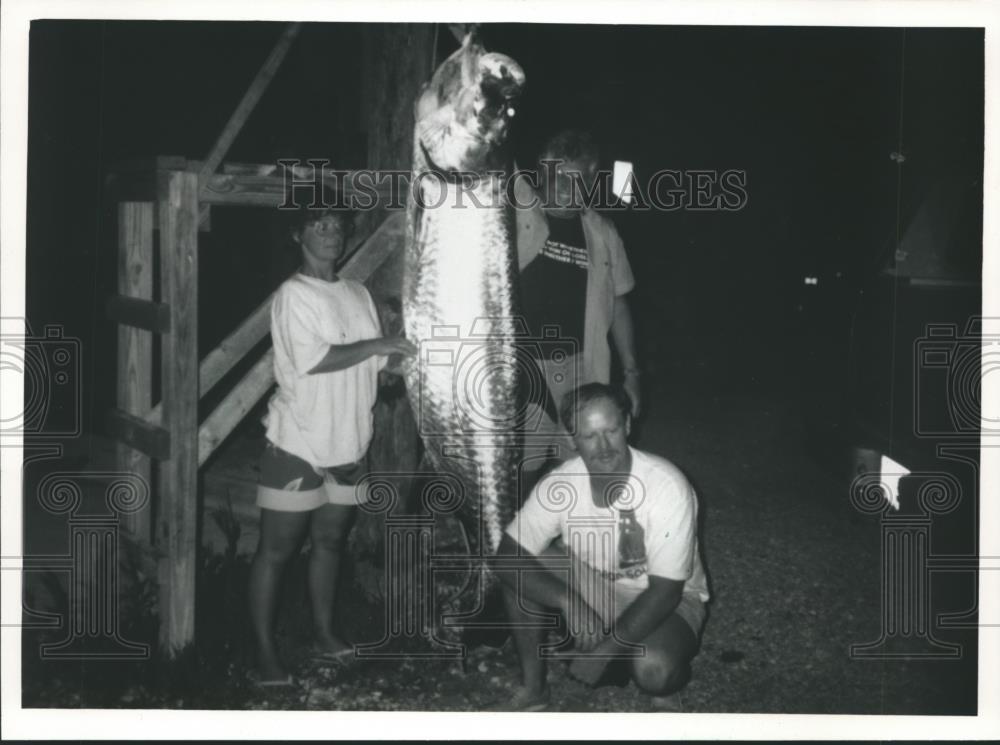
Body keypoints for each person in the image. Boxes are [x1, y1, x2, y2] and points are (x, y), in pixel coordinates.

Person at [248, 206, 416, 685]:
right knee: (276, 552)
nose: (330, 234)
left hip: (349, 444)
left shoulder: (358, 293)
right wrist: (379, 345)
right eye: (318, 225)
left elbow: (375, 363)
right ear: (297, 233)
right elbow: (315, 360)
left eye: (337, 227)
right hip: (298, 441)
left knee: (329, 543)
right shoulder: (292, 295)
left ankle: (324, 632)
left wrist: (400, 359)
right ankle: (263, 652)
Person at [494, 383, 710, 711]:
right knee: (519, 568)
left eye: (611, 430)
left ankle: (664, 686)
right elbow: (506, 557)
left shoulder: (667, 486)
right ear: (570, 439)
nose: (604, 447)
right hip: (593, 583)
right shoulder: (560, 483)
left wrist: (603, 651)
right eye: (589, 436)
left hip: (666, 596)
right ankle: (534, 688)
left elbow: (665, 592)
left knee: (655, 671)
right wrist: (567, 600)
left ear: (627, 426)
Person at [514, 130, 641, 471]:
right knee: (520, 471)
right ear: (543, 174)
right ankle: (524, 525)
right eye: (562, 179)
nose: (571, 190)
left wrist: (631, 373)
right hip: (523, 367)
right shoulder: (515, 214)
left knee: (580, 466)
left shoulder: (603, 232)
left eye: (581, 180)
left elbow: (620, 303)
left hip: (582, 367)